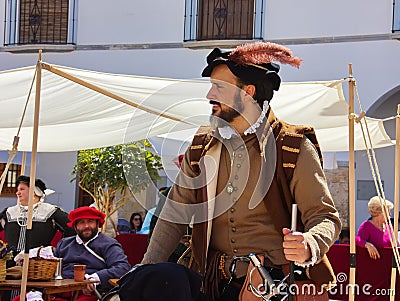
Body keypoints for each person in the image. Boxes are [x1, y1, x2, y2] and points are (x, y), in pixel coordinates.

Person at [142, 41, 341, 301]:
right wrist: (144, 272)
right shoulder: (202, 145)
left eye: (219, 87)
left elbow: (326, 217)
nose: (209, 96)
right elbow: (175, 213)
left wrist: (309, 244)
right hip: (210, 283)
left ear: (248, 92)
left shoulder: (293, 147)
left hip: (275, 287)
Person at [53, 206, 131, 301]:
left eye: (90, 221)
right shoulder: (64, 244)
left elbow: (122, 267)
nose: (86, 226)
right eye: (81, 222)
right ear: (75, 226)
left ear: (98, 224)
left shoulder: (109, 244)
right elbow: (52, 267)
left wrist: (95, 278)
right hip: (58, 291)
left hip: (90, 293)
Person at [0, 175, 75, 256]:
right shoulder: (9, 212)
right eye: (17, 190)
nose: (17, 193)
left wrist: (58, 250)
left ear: (35, 192)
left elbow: (72, 229)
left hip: (38, 262)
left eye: (22, 189)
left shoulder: (50, 211)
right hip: (9, 262)